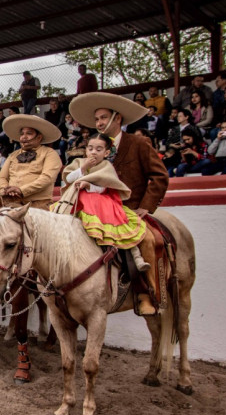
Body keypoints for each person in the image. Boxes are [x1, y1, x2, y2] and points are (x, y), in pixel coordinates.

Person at [55, 132, 156, 315]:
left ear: (107, 152)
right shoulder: (78, 163)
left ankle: (136, 260)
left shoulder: (106, 166)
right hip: (78, 204)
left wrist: (89, 185)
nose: (94, 152)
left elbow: (104, 186)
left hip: (101, 205)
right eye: (90, 148)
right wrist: (84, 168)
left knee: (121, 231)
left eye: (99, 149)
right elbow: (68, 179)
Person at [69, 91, 169, 218]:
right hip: (96, 210)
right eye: (96, 119)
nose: (99, 123)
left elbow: (160, 176)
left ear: (117, 118)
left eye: (103, 117)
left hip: (130, 210)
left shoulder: (139, 143)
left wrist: (146, 206)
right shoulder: (92, 147)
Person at [0, 115, 62, 210]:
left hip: (38, 206)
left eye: (29, 133)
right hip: (10, 203)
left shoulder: (50, 153)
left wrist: (21, 190)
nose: (24, 137)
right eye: (22, 134)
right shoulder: (13, 155)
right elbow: (2, 177)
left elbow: (47, 178)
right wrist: (6, 190)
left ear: (39, 137)